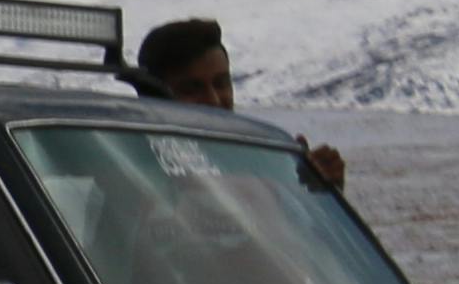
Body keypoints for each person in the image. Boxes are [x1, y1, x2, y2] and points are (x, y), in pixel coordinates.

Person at [133, 18, 349, 195]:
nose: (214, 100)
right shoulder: (124, 162)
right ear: (152, 94)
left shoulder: (267, 163)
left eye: (221, 84)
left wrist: (319, 191)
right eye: (191, 88)